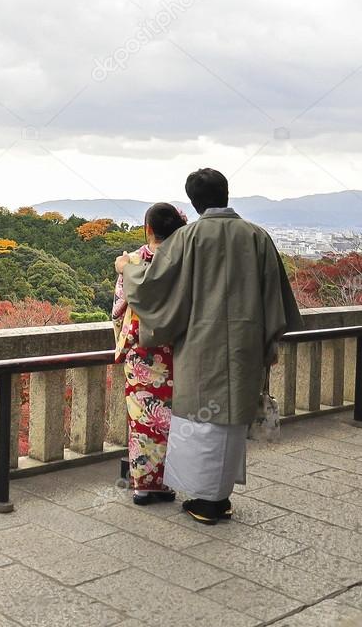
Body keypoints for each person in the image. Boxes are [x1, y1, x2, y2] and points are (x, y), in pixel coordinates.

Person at [115, 168, 302, 525]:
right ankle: (220, 495)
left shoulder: (189, 238)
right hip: (245, 347)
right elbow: (273, 296)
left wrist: (126, 268)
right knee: (229, 425)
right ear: (226, 194)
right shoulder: (257, 236)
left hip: (201, 347)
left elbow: (156, 285)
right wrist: (267, 340)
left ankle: (208, 501)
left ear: (195, 200)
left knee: (203, 424)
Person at [112, 203, 186, 506]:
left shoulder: (131, 261)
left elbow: (119, 308)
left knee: (143, 419)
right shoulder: (185, 261)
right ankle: (171, 481)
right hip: (176, 351)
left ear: (149, 229)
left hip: (141, 350)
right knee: (173, 419)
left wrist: (123, 334)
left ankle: (144, 484)